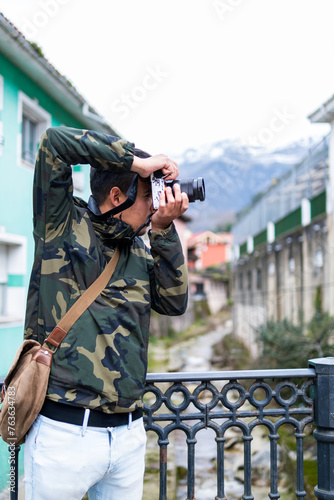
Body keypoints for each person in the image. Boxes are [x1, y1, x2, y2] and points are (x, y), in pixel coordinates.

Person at [23, 126, 189, 500]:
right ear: (117, 194)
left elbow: (174, 302)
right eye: (149, 195)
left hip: (128, 435)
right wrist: (138, 162)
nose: (155, 205)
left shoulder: (140, 250)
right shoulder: (62, 225)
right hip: (63, 434)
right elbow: (54, 142)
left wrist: (163, 229)